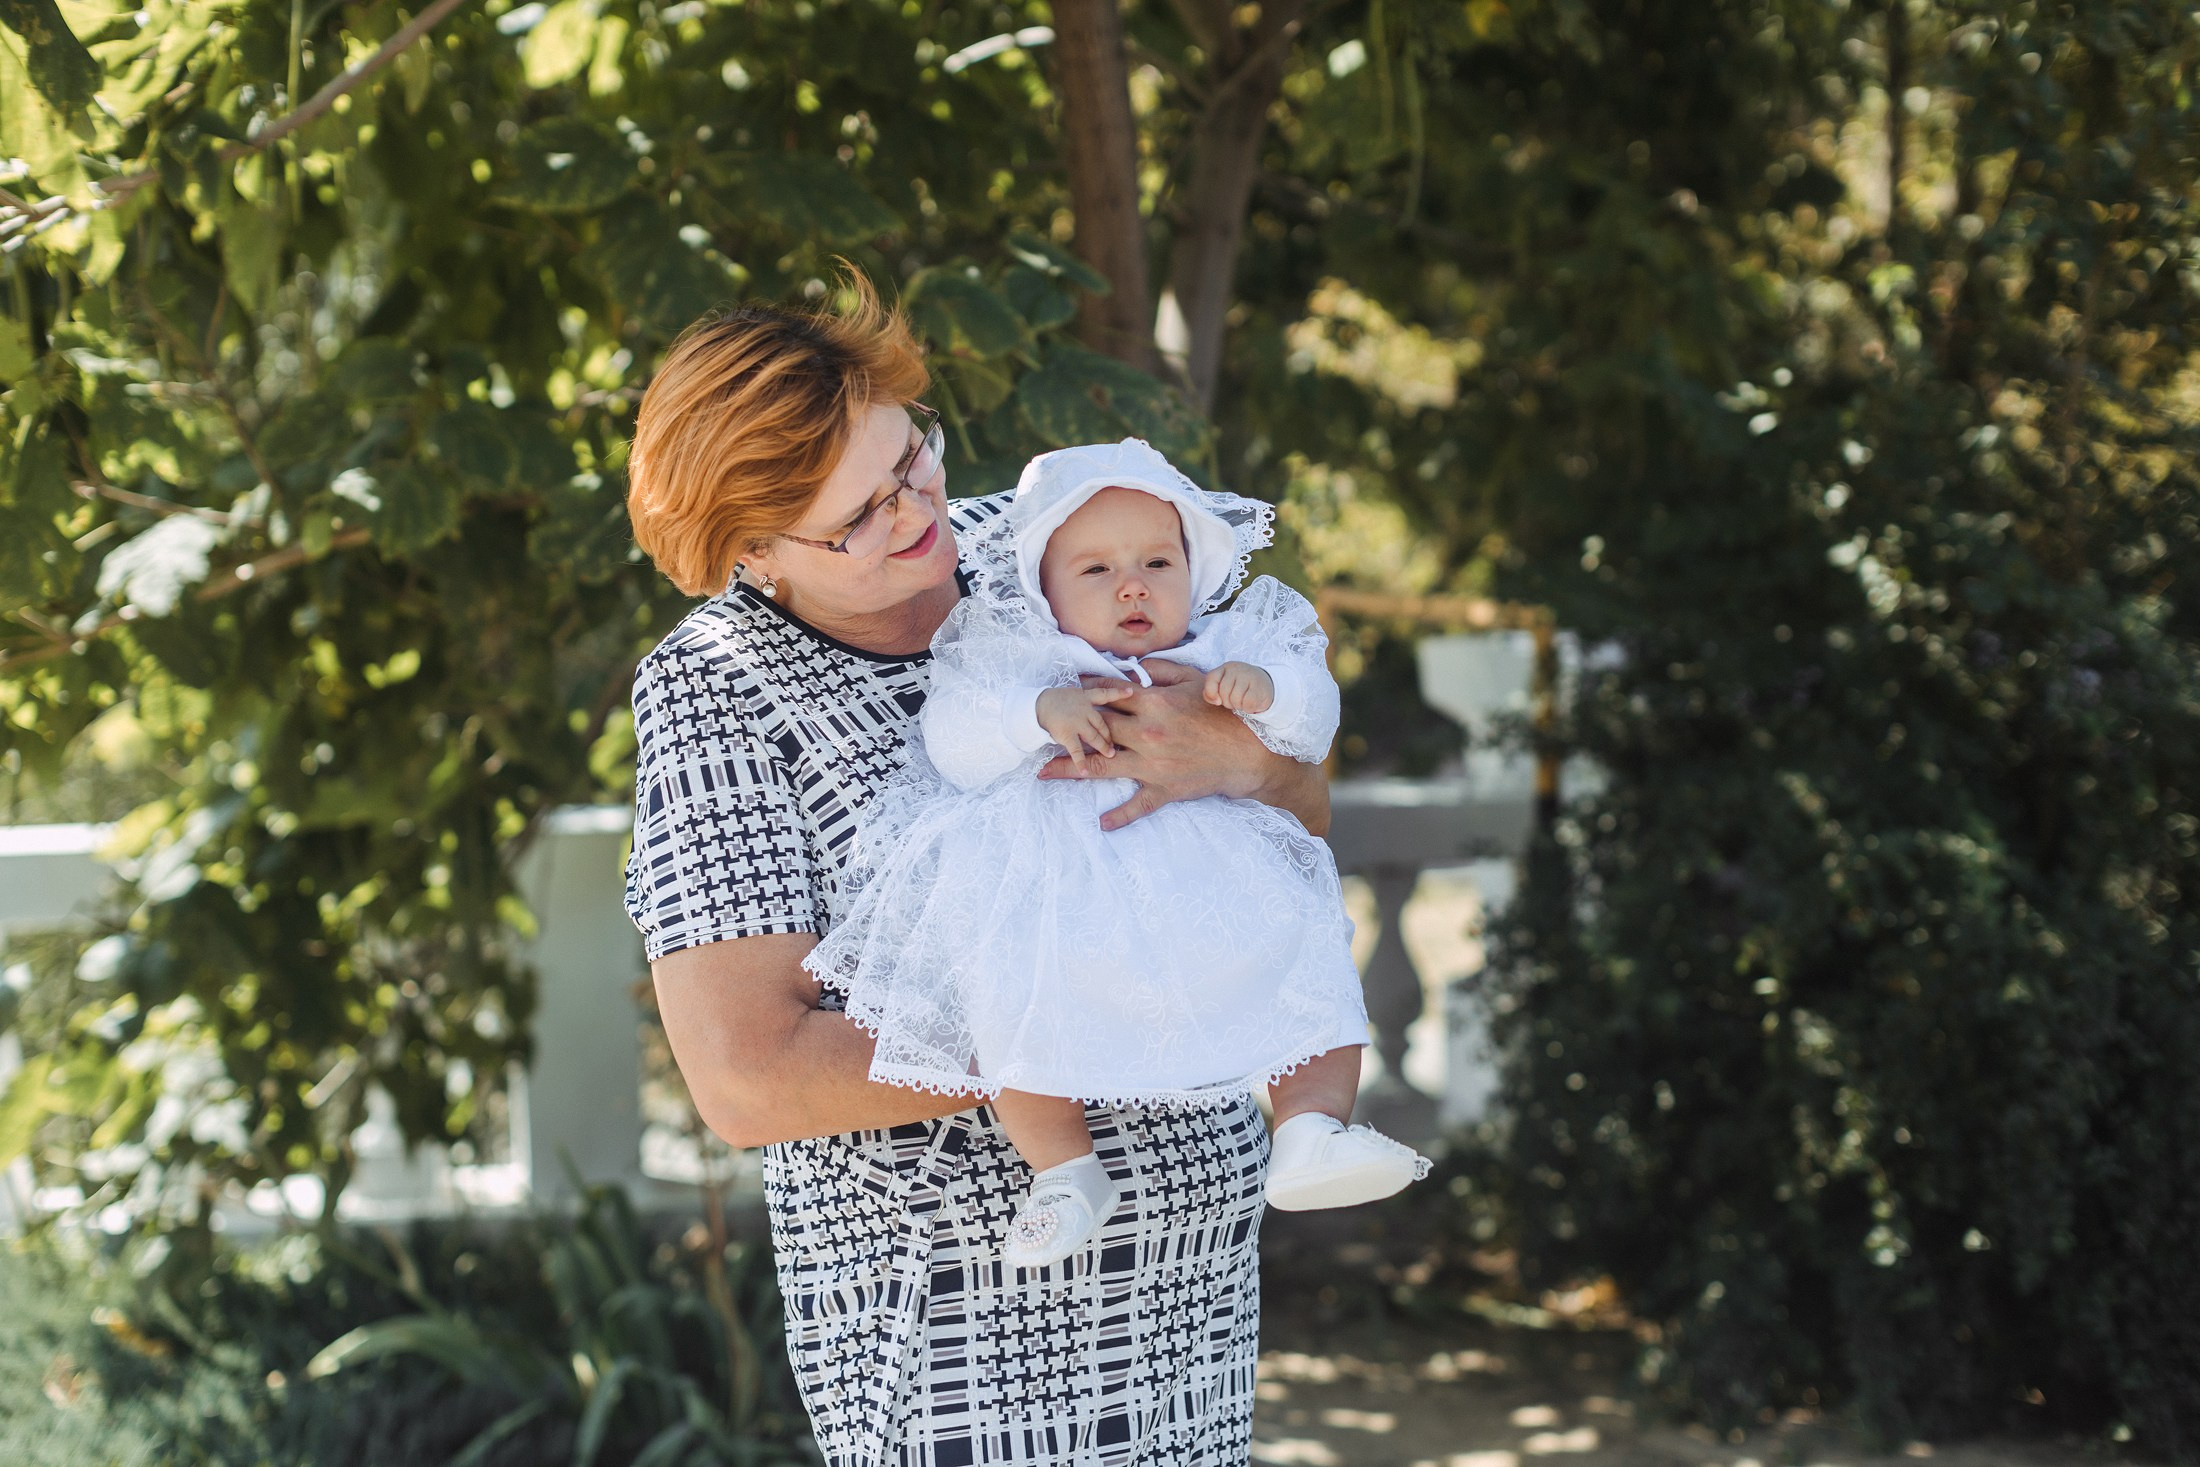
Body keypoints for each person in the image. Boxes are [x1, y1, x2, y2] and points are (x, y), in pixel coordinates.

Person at [622, 276, 1334, 1467]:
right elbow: (751, 1076)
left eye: (912, 457)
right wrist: (1103, 1016)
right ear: (748, 553)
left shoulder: (1055, 545)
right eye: (856, 518)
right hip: (963, 1310)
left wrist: (1238, 763)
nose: (915, 515)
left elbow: (1299, 809)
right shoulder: (717, 688)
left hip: (1191, 1283)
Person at [805, 439, 1429, 1270]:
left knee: (1307, 961)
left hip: (1214, 898)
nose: (1132, 584)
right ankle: (1065, 1170)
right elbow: (952, 739)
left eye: (1157, 561)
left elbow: (1312, 721)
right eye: (1095, 571)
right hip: (1067, 913)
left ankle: (1311, 1128)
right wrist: (1035, 712)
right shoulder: (1029, 661)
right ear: (1046, 591)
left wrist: (1267, 697)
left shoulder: (1224, 646)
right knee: (1010, 1016)